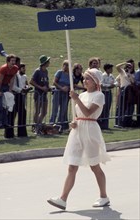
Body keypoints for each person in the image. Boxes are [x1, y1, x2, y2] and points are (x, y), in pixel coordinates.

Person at [47, 68, 111, 210]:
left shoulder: (99, 95)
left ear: (95, 82)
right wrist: (73, 122)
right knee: (72, 166)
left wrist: (75, 99)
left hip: (90, 130)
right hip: (78, 130)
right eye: (84, 78)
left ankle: (103, 196)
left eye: (88, 78)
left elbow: (88, 112)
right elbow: (79, 114)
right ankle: (63, 199)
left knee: (94, 166)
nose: (84, 81)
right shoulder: (81, 95)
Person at [0, 54, 18, 137]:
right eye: (12, 61)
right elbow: (0, 80)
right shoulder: (3, 68)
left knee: (6, 105)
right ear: (8, 62)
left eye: (14, 61)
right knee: (0, 105)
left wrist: (10, 90)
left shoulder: (15, 68)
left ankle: (5, 123)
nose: (13, 62)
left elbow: (12, 80)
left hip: (6, 85)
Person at [29, 55, 50, 134]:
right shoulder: (37, 71)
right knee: (37, 111)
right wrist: (41, 88)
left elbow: (46, 82)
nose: (49, 63)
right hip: (38, 94)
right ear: (44, 63)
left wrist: (48, 87)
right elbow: (31, 81)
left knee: (44, 111)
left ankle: (39, 124)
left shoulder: (46, 71)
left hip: (44, 94)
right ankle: (35, 126)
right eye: (48, 61)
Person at [12, 63, 32, 137]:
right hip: (16, 95)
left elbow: (26, 84)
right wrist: (21, 90)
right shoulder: (16, 76)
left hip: (22, 96)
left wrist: (27, 87)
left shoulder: (24, 76)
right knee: (13, 114)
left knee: (22, 113)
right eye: (23, 68)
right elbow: (14, 86)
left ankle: (21, 132)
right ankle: (10, 131)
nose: (25, 69)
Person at [49, 60, 70, 130]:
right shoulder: (59, 72)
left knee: (63, 110)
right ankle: (51, 125)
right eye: (64, 65)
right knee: (55, 109)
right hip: (58, 92)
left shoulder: (70, 75)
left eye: (67, 65)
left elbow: (72, 84)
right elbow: (54, 82)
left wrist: (68, 88)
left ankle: (59, 126)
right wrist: (61, 88)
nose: (65, 67)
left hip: (65, 94)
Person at [115, 61, 135, 127]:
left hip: (129, 91)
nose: (129, 67)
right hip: (123, 90)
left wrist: (129, 74)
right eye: (128, 66)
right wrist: (125, 63)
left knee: (127, 107)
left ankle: (125, 122)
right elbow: (117, 66)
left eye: (131, 66)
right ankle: (118, 122)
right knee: (121, 106)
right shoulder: (122, 72)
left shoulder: (132, 74)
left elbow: (133, 82)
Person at [98, 63, 116, 129]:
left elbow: (115, 82)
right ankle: (101, 124)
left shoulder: (111, 76)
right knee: (103, 108)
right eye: (110, 68)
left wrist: (114, 85)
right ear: (107, 69)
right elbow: (101, 84)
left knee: (108, 108)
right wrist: (109, 85)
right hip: (104, 92)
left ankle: (106, 125)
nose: (112, 70)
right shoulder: (103, 76)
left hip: (109, 92)